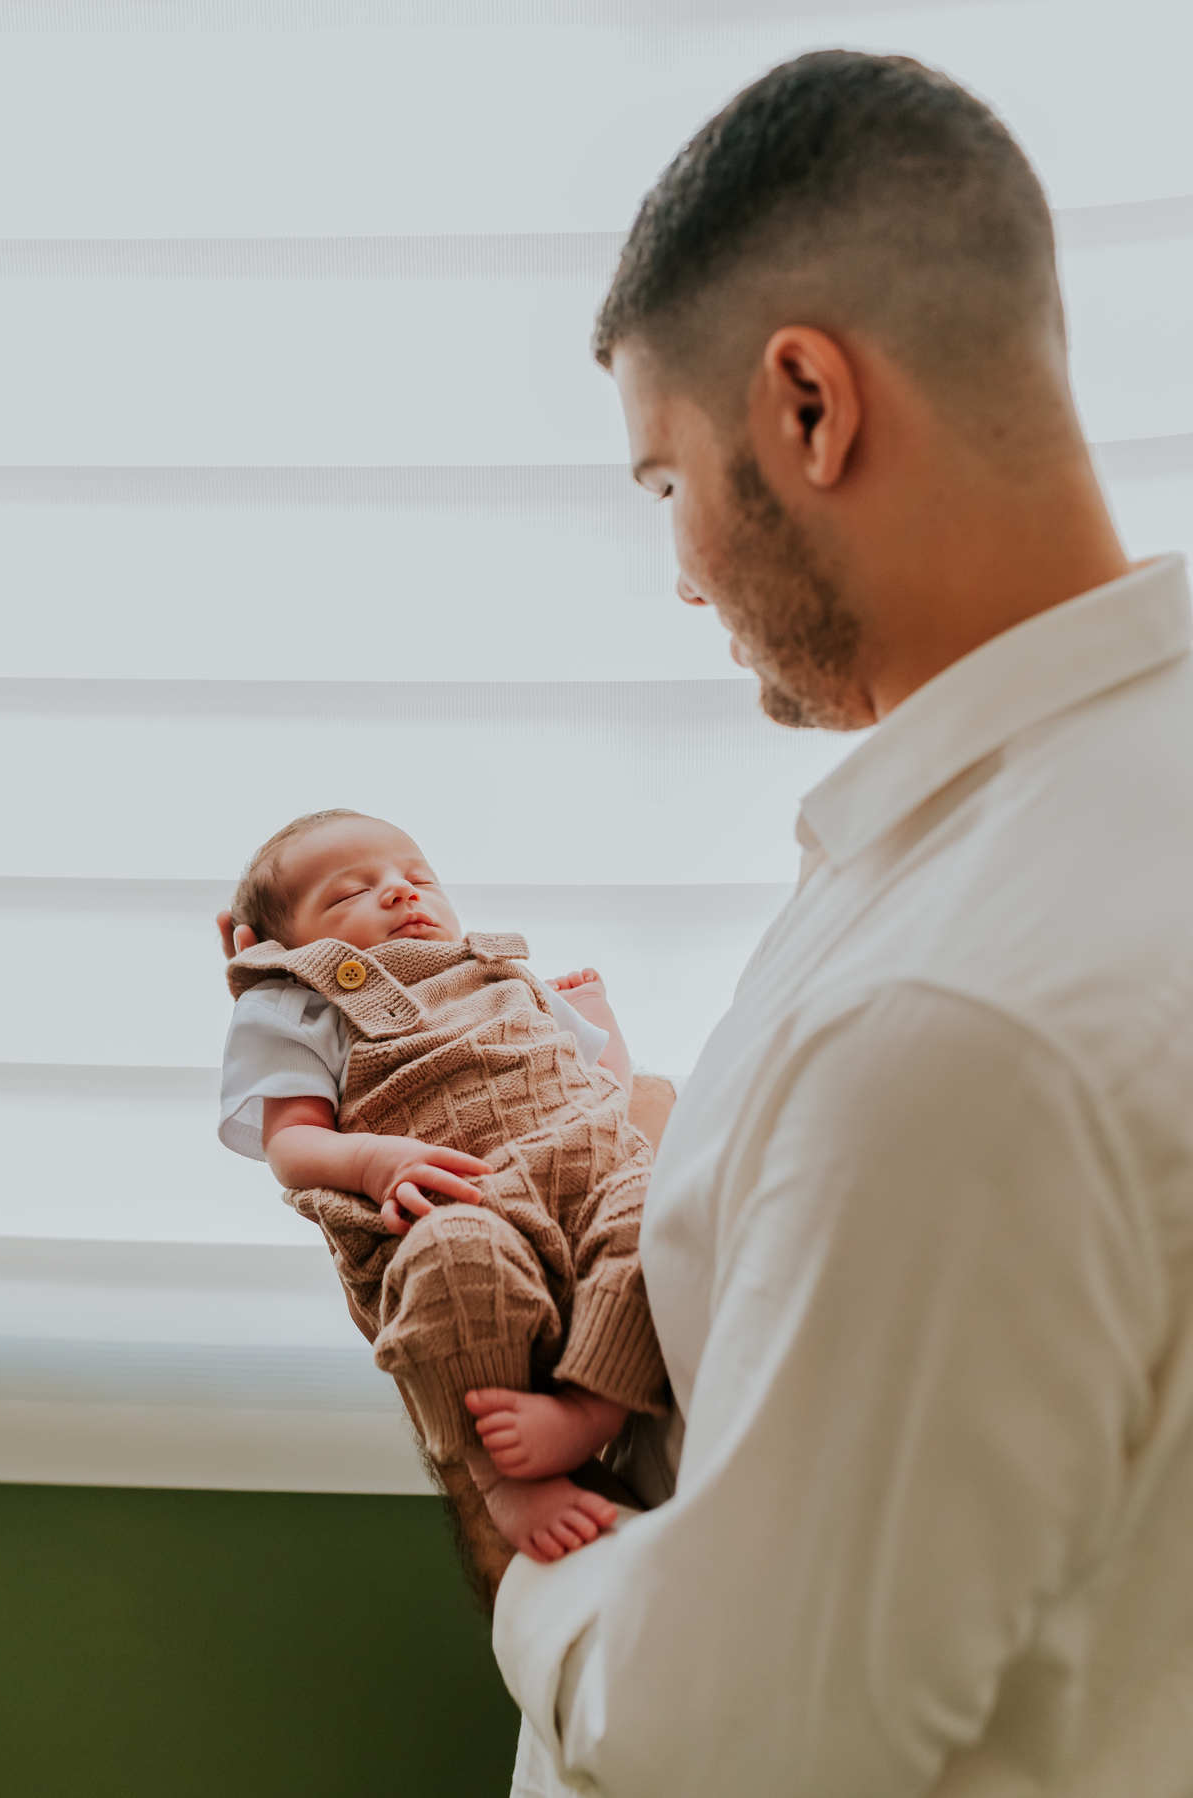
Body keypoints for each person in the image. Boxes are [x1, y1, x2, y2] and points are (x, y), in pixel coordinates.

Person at [451, 49, 1193, 1797]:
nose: (686, 573)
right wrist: (660, 1126)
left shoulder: (954, 1018)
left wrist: (537, 1597)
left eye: (664, 485)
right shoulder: (1083, 809)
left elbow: (746, 1741)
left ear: (807, 403)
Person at [215, 807, 669, 1562]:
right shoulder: (303, 1006)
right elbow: (292, 1145)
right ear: (283, 949)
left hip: (583, 1172)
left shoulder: (503, 976)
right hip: (460, 1201)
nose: (399, 892)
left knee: (652, 1218)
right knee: (452, 1265)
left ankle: (595, 1406)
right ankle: (500, 1474)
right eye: (348, 894)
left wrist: (598, 1017)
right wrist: (374, 1163)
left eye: (416, 876)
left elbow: (610, 1093)